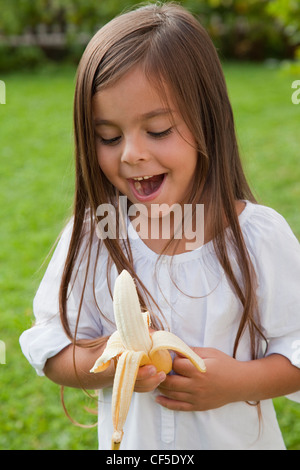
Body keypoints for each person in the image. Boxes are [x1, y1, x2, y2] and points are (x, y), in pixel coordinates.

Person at [20, 2, 300, 450]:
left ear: (207, 121)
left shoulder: (259, 237)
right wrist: (112, 361)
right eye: (109, 137)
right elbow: (51, 346)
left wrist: (240, 382)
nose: (131, 153)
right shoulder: (94, 235)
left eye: (159, 129)